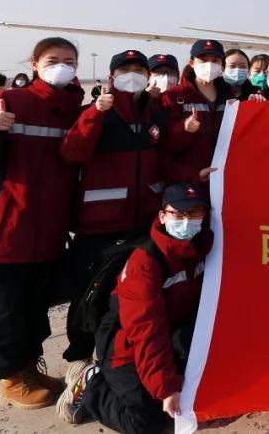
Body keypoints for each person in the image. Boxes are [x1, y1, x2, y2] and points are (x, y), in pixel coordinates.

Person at [0, 37, 84, 409]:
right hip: (2, 227)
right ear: (34, 64)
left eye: (69, 60)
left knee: (33, 304)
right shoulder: (8, 101)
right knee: (1, 308)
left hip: (47, 228)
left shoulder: (72, 110)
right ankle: (9, 378)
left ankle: (28, 369)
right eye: (53, 59)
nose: (62, 66)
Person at [66, 183, 213, 432]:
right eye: (178, 213)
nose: (187, 220)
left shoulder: (205, 247)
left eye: (194, 213)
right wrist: (166, 388)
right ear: (163, 216)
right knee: (144, 422)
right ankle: (90, 381)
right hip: (127, 344)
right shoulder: (145, 264)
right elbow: (147, 330)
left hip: (174, 334)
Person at [59, 49, 172, 366]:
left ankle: (116, 355)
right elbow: (72, 152)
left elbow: (165, 158)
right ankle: (80, 356)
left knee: (129, 293)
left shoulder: (154, 115)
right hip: (99, 223)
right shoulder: (96, 111)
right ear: (111, 77)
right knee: (88, 293)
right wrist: (95, 113)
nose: (132, 75)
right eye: (125, 70)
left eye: (140, 70)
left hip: (141, 223)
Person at [160, 40, 231, 185]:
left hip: (224, 179)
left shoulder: (230, 97)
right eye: (203, 60)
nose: (209, 65)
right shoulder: (173, 95)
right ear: (192, 63)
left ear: (222, 65)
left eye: (215, 61)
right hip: (188, 182)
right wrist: (183, 129)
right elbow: (163, 146)